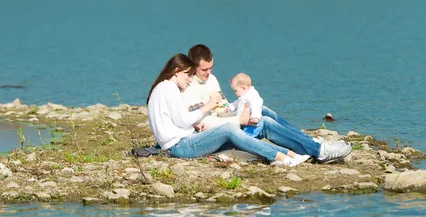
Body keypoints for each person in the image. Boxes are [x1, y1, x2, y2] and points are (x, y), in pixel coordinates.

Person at [181, 45, 352, 164]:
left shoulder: (211, 80)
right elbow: (198, 123)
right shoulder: (186, 87)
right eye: (204, 70)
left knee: (263, 110)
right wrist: (239, 120)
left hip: (225, 125)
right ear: (192, 66)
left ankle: (308, 141)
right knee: (266, 124)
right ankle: (318, 151)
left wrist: (238, 110)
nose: (209, 73)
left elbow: (222, 109)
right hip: (215, 135)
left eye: (211, 68)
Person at [146, 53, 309, 166]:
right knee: (229, 129)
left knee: (235, 139)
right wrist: (208, 106)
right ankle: (281, 157)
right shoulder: (169, 89)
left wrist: (194, 126)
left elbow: (178, 121)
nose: (189, 79)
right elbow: (182, 120)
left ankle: (290, 155)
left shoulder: (163, 87)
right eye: (187, 75)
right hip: (179, 147)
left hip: (182, 141)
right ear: (176, 71)